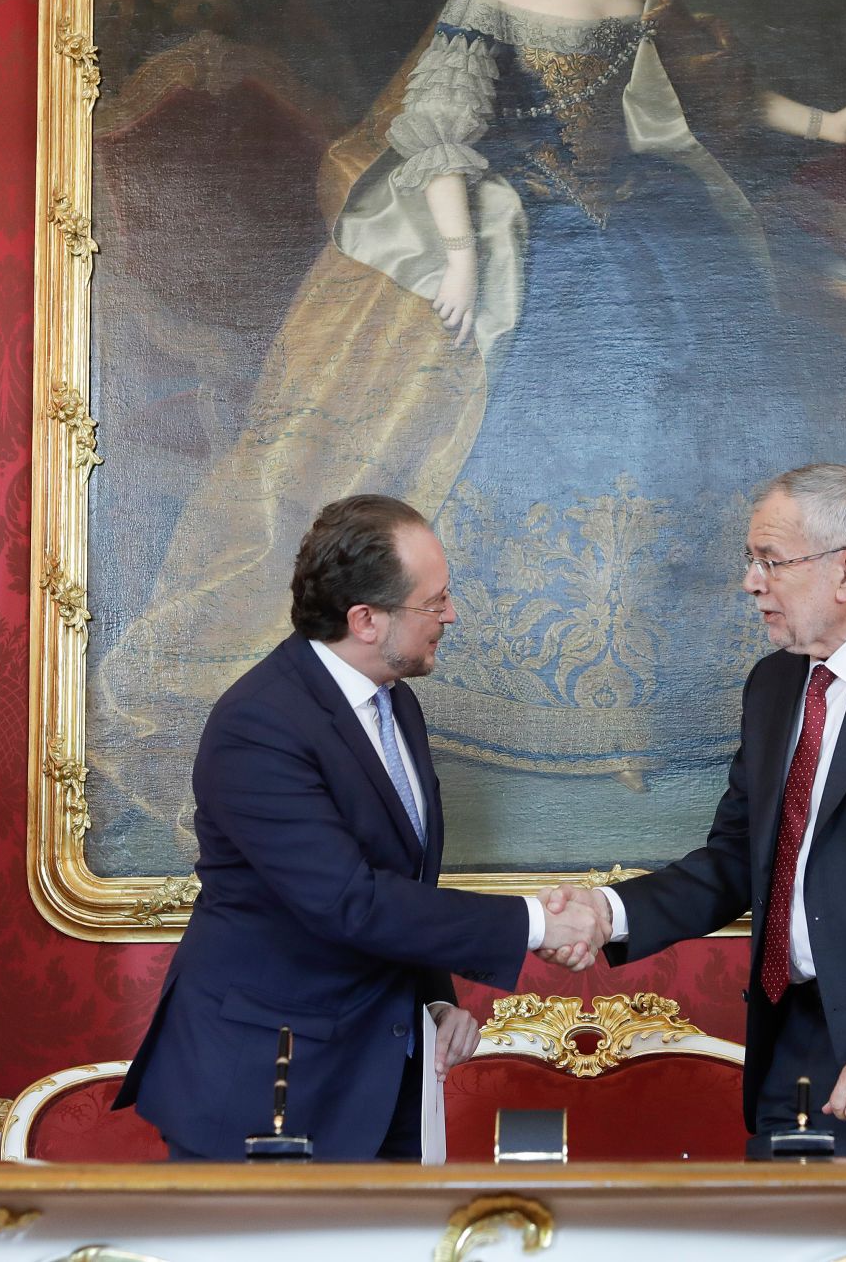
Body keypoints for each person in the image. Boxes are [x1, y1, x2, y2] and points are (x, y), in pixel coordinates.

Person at [94, 0, 846, 821]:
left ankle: (689, 690)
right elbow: (436, 133)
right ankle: (512, 696)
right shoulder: (484, 0)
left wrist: (826, 122)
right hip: (526, 229)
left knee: (701, 410)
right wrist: (463, 260)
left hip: (650, 225)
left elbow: (719, 96)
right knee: (528, 417)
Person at [544, 464, 846, 1155]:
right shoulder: (774, 684)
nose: (751, 582)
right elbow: (735, 860)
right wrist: (609, 913)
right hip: (794, 1045)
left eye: (771, 561)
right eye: (751, 561)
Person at [114, 495, 605, 1160]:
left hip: (382, 1075)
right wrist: (538, 924)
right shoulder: (258, 725)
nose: (451, 615)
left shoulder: (394, 705)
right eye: (435, 601)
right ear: (365, 619)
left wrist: (434, 1000)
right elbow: (351, 901)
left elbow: (399, 879)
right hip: (271, 1086)